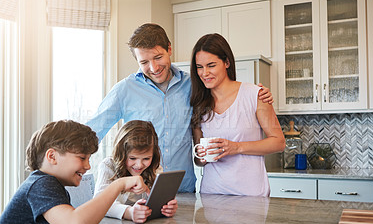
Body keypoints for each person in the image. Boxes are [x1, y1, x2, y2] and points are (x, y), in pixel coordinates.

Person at [86, 23, 274, 193]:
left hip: (183, 190)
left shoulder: (193, 85)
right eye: (144, 62)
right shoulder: (124, 90)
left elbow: (226, 94)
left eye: (158, 57)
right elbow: (93, 132)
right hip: (139, 191)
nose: (153, 67)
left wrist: (257, 94)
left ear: (169, 49)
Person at [0, 120, 147, 224]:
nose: (88, 166)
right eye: (82, 158)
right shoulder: (41, 184)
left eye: (89, 159)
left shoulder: (52, 185)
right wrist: (118, 184)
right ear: (52, 157)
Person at [190, 33, 285, 197]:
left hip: (251, 195)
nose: (204, 73)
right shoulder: (199, 104)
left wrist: (238, 147)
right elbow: (199, 160)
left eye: (211, 65)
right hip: (211, 194)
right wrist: (202, 157)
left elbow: (279, 142)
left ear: (226, 62)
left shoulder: (255, 95)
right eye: (199, 67)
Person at [94, 120, 177, 223]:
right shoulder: (108, 166)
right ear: (121, 154)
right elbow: (99, 204)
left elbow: (158, 202)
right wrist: (129, 212)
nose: (139, 165)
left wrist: (167, 207)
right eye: (132, 158)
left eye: (146, 159)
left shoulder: (155, 169)